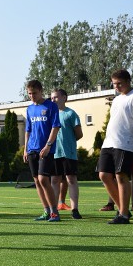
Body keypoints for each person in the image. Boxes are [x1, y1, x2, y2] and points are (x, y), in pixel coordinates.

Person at [97, 69, 133, 224]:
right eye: (114, 84)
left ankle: (124, 215)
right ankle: (122, 210)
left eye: (119, 83)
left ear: (128, 81)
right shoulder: (117, 99)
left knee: (120, 175)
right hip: (109, 142)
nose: (116, 87)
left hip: (125, 143)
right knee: (104, 175)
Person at [23, 79, 61, 222]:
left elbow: (55, 127)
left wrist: (48, 145)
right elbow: (28, 130)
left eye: (34, 93)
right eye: (29, 94)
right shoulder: (29, 109)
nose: (32, 96)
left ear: (41, 91)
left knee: (43, 179)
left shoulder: (51, 106)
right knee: (37, 182)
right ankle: (46, 211)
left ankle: (54, 212)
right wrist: (25, 149)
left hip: (46, 150)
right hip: (32, 149)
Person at [49, 88, 83, 220]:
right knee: (55, 180)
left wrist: (68, 142)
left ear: (64, 98)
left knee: (71, 180)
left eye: (56, 97)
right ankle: (53, 209)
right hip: (54, 153)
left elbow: (79, 134)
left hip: (69, 153)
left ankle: (75, 209)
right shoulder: (51, 114)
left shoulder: (71, 114)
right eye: (51, 98)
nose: (53, 100)